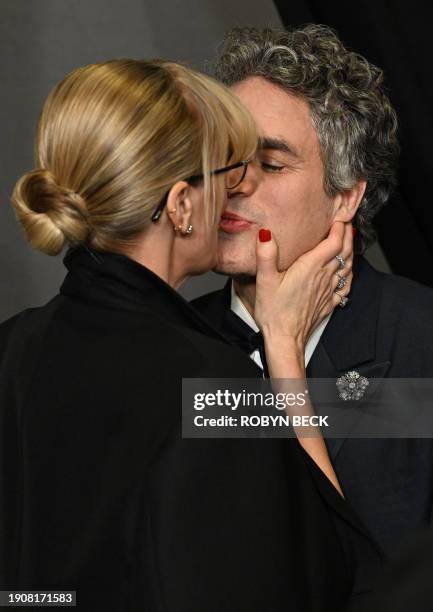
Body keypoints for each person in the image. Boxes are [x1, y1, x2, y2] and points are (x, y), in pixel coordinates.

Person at [0, 58, 380, 611]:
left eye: (266, 165)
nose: (241, 187)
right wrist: (283, 352)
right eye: (228, 169)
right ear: (180, 206)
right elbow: (338, 573)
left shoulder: (11, 345)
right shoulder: (213, 383)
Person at [192, 24, 433, 554]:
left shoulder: (419, 340)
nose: (234, 183)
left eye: (271, 164)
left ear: (345, 196)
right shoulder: (167, 339)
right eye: (224, 157)